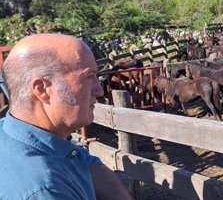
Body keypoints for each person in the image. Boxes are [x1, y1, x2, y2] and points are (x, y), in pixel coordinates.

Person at [0, 34, 132, 200]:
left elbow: (84, 163)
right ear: (42, 89)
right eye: (89, 77)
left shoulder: (9, 131)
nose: (99, 90)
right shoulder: (47, 190)